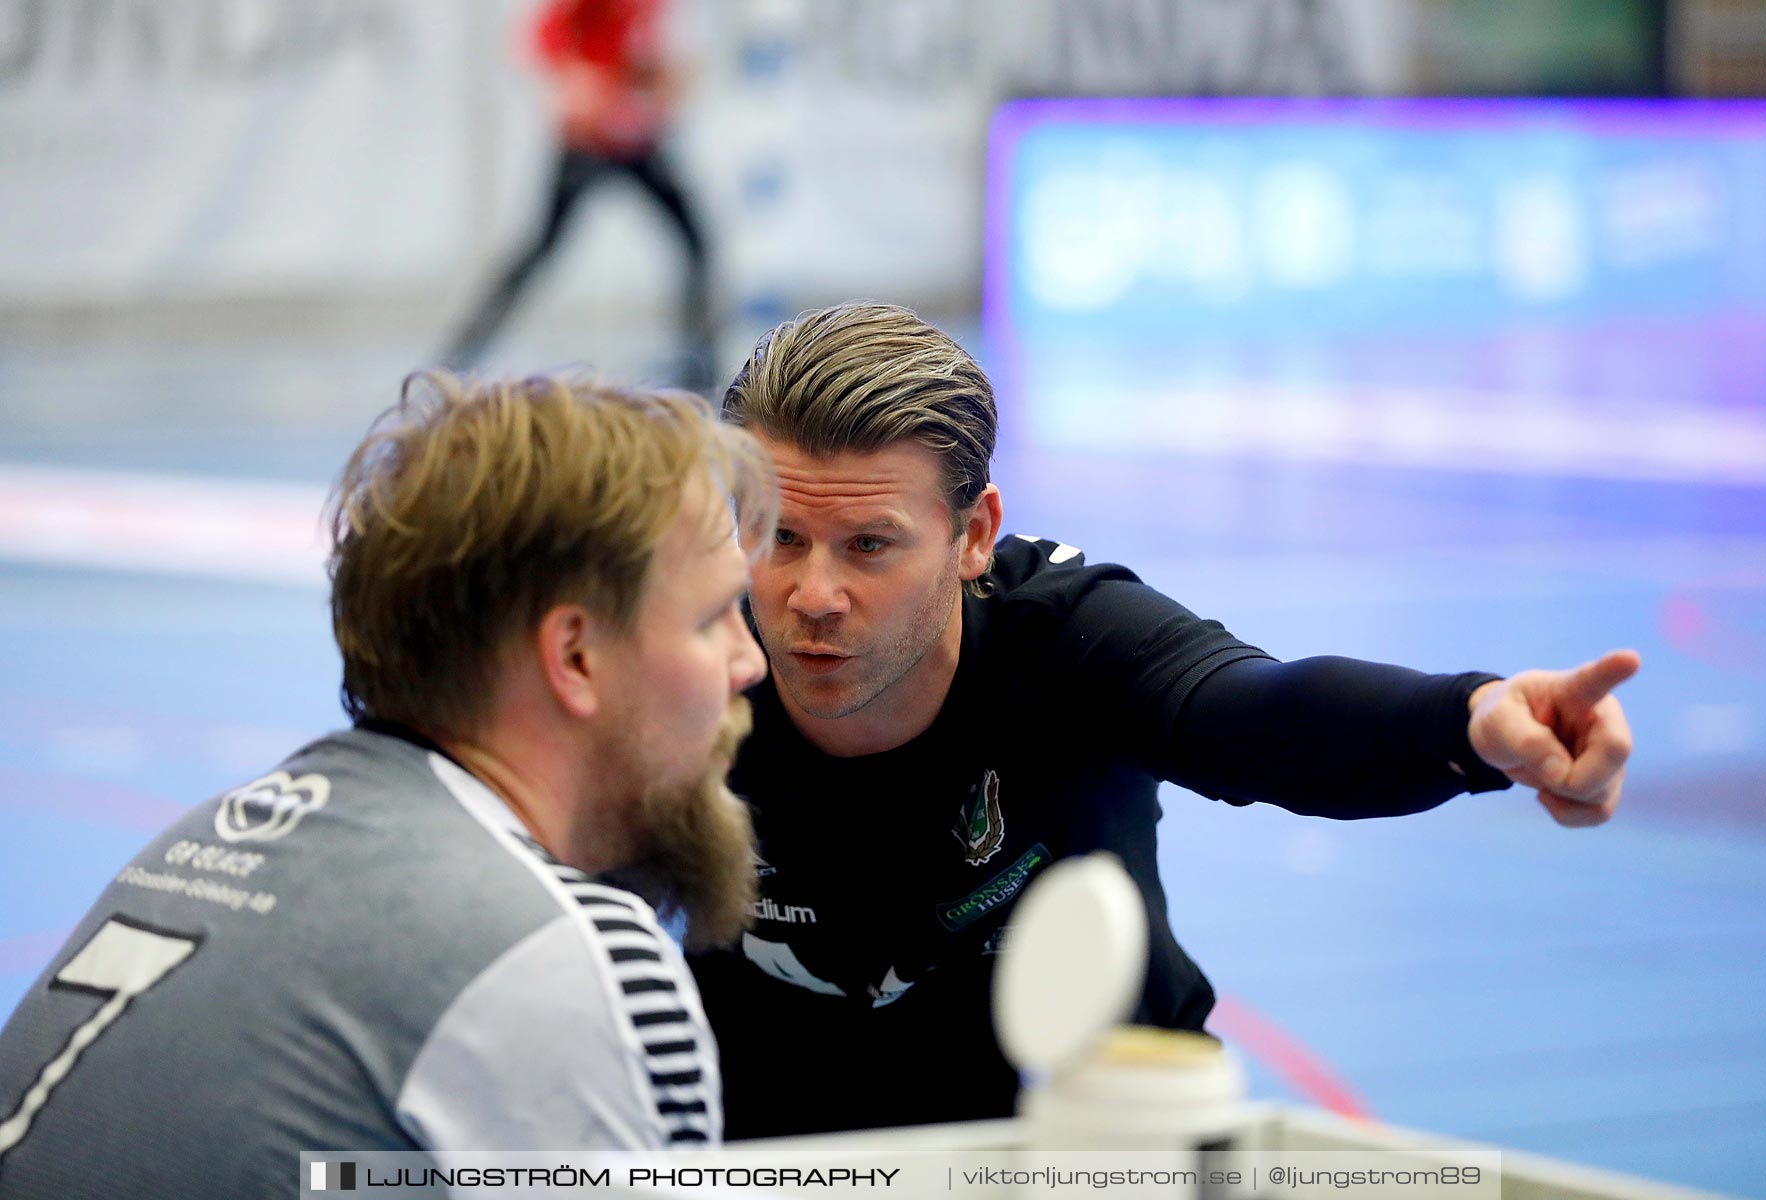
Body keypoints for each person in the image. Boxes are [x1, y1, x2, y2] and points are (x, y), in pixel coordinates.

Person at [685, 302, 1639, 1138]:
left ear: (973, 536)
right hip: (782, 1145)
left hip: (1090, 1141)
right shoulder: (683, 659)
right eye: (779, 535)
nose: (812, 594)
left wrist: (1470, 720)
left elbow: (1258, 718)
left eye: (868, 546)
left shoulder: (1062, 634)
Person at [0, 375, 775, 1196]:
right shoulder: (560, 962)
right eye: (712, 617)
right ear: (576, 656)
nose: (748, 660)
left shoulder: (215, 833)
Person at [442, 0, 715, 387]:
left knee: (696, 245)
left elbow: (662, 66)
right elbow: (543, 39)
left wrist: (660, 84)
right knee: (537, 251)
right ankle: (462, 352)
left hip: (637, 140)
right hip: (587, 142)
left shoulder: (656, 10)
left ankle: (699, 363)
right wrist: (580, 84)